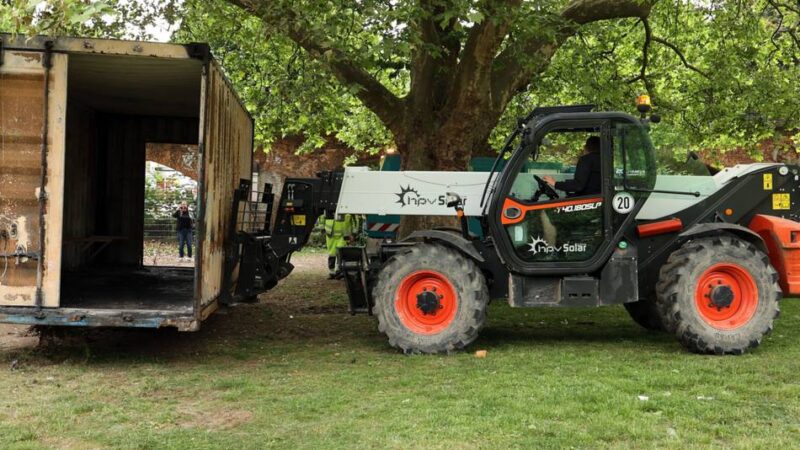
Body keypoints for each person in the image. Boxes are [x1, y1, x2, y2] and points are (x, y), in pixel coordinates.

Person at [323, 214, 360, 279]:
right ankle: (332, 272)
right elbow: (322, 217)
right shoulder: (329, 208)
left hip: (343, 236)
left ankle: (339, 271)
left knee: (341, 253)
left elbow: (355, 220)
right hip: (331, 235)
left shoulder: (348, 209)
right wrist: (322, 228)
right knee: (332, 254)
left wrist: (354, 234)